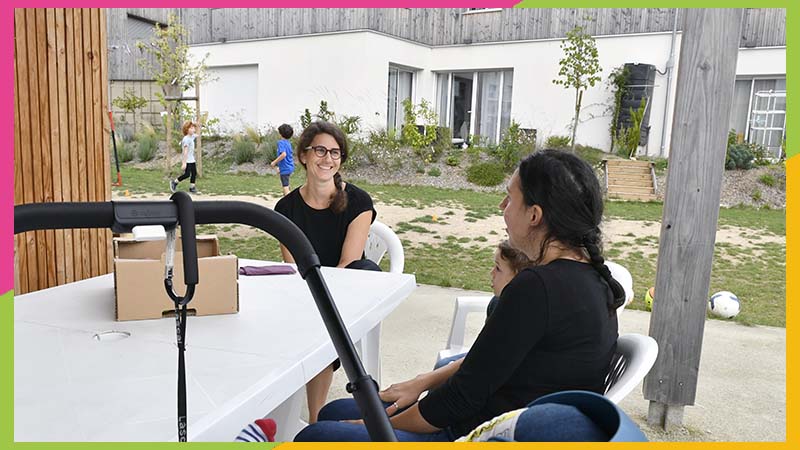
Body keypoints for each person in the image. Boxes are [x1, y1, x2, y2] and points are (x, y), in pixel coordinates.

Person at [294, 149, 626, 442]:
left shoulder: (537, 287)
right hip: (498, 417)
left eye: (510, 198)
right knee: (334, 411)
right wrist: (422, 382)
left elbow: (457, 401)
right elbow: (490, 363)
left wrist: (378, 425)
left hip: (477, 432)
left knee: (316, 434)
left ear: (535, 216)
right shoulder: (594, 279)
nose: (502, 207)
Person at [274, 121, 379, 424]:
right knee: (305, 322)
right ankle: (311, 418)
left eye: (335, 152)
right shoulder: (286, 210)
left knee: (318, 326)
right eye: (320, 150)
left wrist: (320, 302)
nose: (328, 158)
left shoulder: (358, 202)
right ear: (304, 155)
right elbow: (294, 268)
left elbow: (349, 264)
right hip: (307, 290)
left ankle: (316, 420)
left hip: (349, 290)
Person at [434, 240, 532, 370]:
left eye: (498, 268)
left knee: (443, 368)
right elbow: (483, 351)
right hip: (490, 363)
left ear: (519, 277)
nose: (492, 273)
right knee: (443, 365)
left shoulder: (524, 313)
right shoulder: (497, 302)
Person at [170, 121, 199, 194]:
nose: (193, 130)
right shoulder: (186, 139)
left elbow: (198, 134)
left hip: (192, 159)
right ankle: (174, 182)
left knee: (194, 173)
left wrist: (196, 125)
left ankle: (192, 187)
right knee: (187, 175)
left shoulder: (191, 136)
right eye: (191, 128)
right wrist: (184, 163)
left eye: (193, 128)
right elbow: (185, 152)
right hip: (187, 160)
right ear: (187, 130)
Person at [270, 124, 295, 196]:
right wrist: (279, 167)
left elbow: (283, 155)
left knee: (285, 186)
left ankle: (289, 202)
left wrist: (274, 162)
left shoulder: (281, 142)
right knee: (286, 184)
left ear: (281, 134)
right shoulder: (288, 143)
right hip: (289, 167)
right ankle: (286, 198)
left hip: (285, 168)